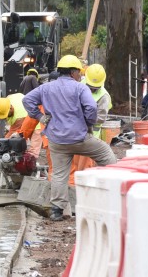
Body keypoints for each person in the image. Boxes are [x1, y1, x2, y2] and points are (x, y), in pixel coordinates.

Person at [22, 55, 117, 221]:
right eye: (79, 72)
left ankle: (57, 210)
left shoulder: (46, 88)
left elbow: (27, 100)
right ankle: (114, 192)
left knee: (59, 174)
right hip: (79, 138)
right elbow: (90, 107)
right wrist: (88, 122)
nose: (80, 75)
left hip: (57, 141)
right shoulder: (80, 88)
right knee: (106, 154)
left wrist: (40, 116)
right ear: (73, 72)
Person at [70, 63, 113, 178]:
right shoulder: (79, 85)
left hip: (89, 137)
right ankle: (72, 191)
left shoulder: (104, 96)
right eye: (90, 87)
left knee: (85, 169)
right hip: (73, 134)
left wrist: (84, 117)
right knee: (72, 166)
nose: (92, 89)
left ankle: (83, 191)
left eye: (95, 88)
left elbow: (101, 118)